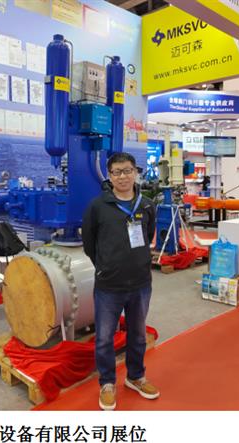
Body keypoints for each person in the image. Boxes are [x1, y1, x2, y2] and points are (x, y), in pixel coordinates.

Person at [82, 152, 159, 410]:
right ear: (110, 175)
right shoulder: (97, 207)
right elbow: (89, 244)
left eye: (127, 171)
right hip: (109, 286)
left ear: (135, 172)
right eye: (116, 172)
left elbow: (148, 235)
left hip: (140, 283)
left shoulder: (146, 205)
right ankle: (107, 383)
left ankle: (135, 377)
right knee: (104, 338)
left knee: (137, 334)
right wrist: (106, 267)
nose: (122, 177)